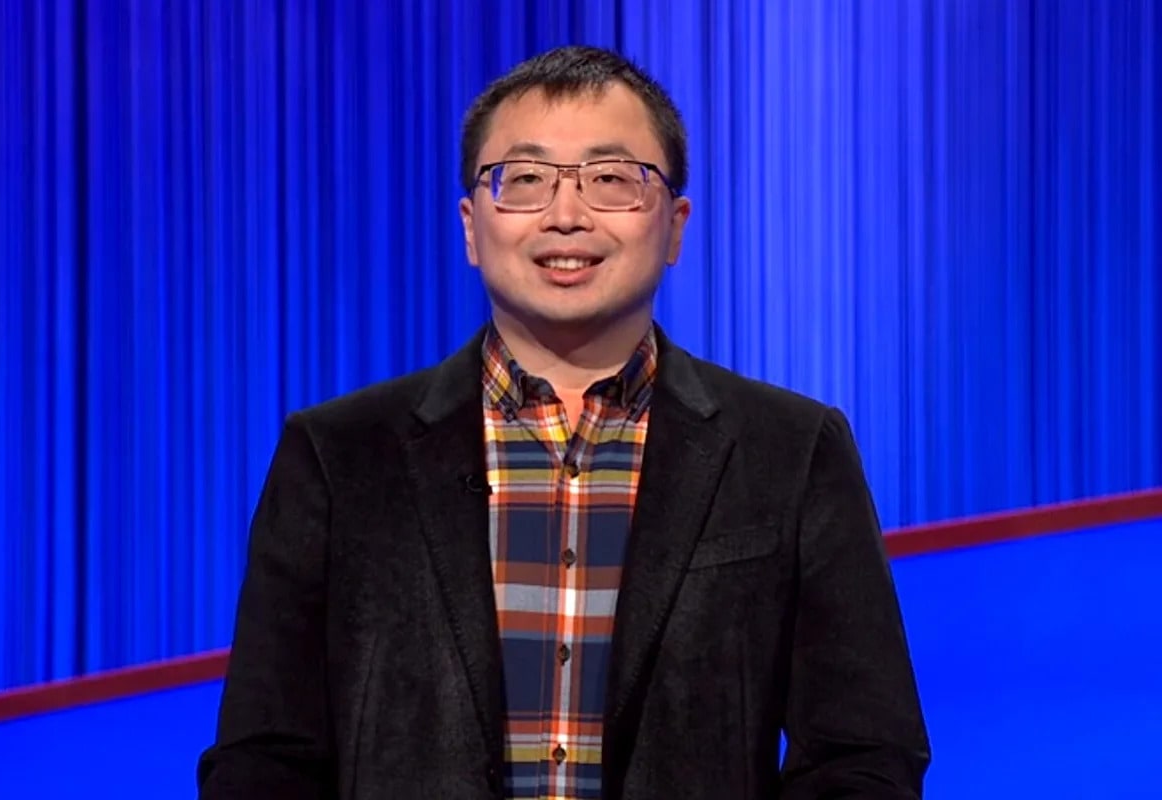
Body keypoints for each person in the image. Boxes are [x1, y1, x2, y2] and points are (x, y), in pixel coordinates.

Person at [197, 45, 930, 800]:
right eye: (526, 180)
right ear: (472, 227)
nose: (568, 215)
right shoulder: (338, 456)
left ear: (675, 225)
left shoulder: (792, 450)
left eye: (611, 179)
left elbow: (864, 755)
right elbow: (265, 758)